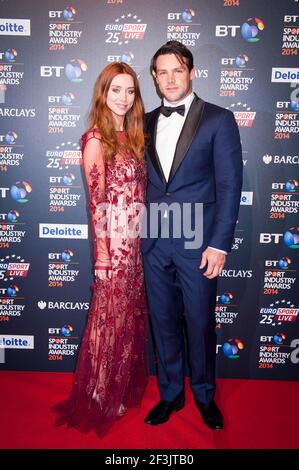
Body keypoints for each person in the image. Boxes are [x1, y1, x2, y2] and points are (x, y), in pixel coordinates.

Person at [142, 41, 243, 430]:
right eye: (162, 71)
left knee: (200, 322)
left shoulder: (219, 119)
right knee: (163, 321)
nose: (169, 78)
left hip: (199, 243)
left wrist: (219, 244)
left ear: (192, 73)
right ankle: (170, 394)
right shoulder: (146, 121)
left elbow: (230, 186)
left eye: (177, 70)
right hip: (152, 242)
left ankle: (203, 395)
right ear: (154, 76)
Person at [52, 62, 148, 438]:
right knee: (106, 318)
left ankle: (116, 386)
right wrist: (104, 255)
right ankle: (96, 391)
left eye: (129, 91)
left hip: (137, 243)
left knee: (125, 319)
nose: (123, 99)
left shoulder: (134, 138)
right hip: (115, 247)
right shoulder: (96, 139)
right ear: (103, 94)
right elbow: (96, 203)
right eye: (116, 91)